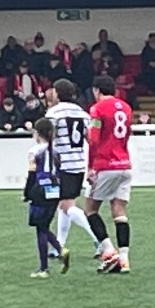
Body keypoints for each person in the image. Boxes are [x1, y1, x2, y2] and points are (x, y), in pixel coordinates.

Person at [45, 79, 99, 254]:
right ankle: (59, 245)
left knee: (67, 206)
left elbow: (48, 136)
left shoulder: (54, 113)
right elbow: (90, 138)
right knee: (65, 204)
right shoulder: (82, 113)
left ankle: (99, 238)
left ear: (58, 93)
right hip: (78, 163)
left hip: (62, 164)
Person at [85, 76, 133, 273]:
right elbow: (127, 133)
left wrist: (90, 167)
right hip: (125, 164)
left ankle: (109, 251)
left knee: (90, 209)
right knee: (119, 211)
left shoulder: (97, 109)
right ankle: (124, 260)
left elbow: (93, 140)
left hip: (106, 165)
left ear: (96, 90)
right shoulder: (126, 107)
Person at [24, 117, 71, 278]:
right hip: (55, 190)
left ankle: (44, 268)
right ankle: (60, 249)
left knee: (40, 229)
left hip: (40, 190)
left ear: (37, 133)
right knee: (44, 225)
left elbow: (32, 174)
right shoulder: (55, 151)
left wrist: (27, 192)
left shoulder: (34, 151)